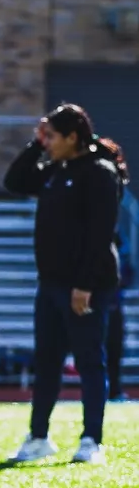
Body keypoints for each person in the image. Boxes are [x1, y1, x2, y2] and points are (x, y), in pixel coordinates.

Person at [5, 105, 124, 465]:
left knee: (90, 361)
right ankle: (39, 436)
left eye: (53, 137)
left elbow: (100, 234)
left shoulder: (100, 173)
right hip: (52, 284)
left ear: (73, 137)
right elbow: (15, 182)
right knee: (47, 361)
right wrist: (36, 144)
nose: (49, 143)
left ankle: (92, 440)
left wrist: (84, 286)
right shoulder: (56, 171)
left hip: (86, 287)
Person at [108, 142, 132, 402]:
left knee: (113, 345)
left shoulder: (115, 232)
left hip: (110, 295)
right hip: (90, 290)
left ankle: (114, 389)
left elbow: (125, 263)